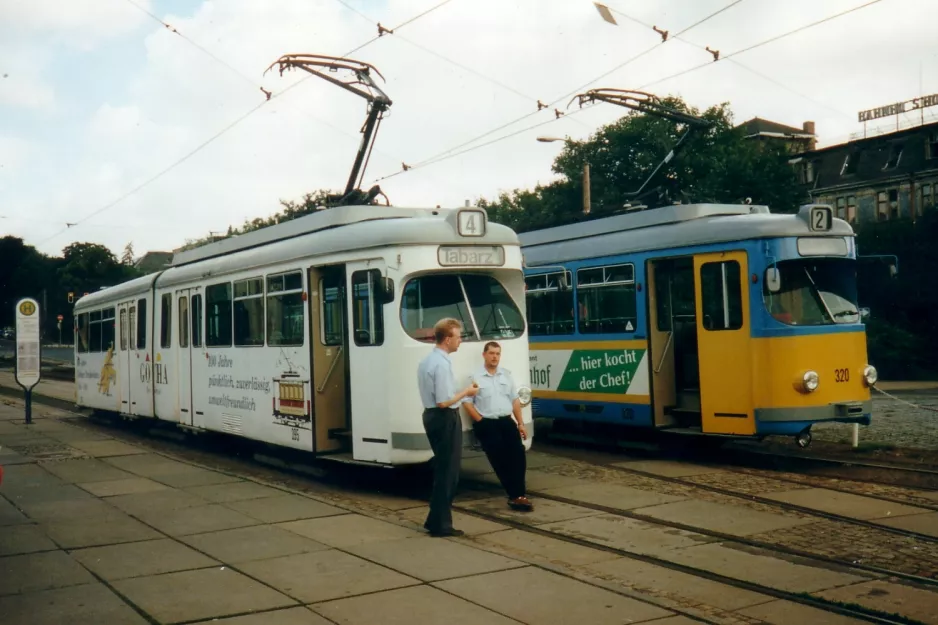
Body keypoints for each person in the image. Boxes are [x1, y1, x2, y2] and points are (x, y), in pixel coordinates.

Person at [416, 317, 479, 537]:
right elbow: (444, 400)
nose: (460, 341)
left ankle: (434, 519)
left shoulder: (427, 361)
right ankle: (441, 524)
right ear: (447, 339)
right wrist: (466, 392)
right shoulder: (441, 364)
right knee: (449, 472)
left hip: (431, 416)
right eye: (458, 337)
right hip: (444, 417)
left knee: (444, 468)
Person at [464, 341, 533, 512]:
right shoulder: (475, 377)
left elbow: (515, 400)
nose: (495, 357)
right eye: (492, 353)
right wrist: (480, 421)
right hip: (487, 423)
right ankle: (516, 496)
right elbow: (467, 402)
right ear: (484, 355)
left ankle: (519, 494)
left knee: (518, 455)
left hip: (506, 421)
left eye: (497, 354)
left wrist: (520, 423)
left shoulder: (506, 375)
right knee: (500, 460)